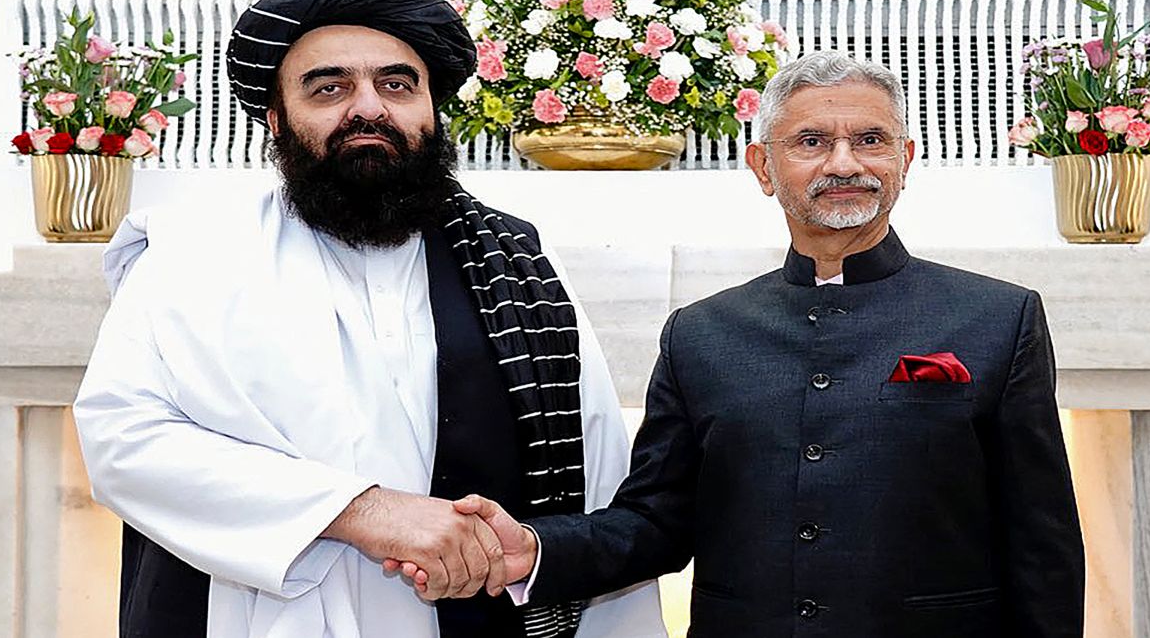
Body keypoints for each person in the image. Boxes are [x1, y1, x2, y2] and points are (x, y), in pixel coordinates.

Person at [73, 0, 663, 638]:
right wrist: (362, 510)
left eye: (396, 84)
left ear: (432, 111)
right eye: (329, 88)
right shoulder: (193, 255)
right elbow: (122, 436)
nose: (368, 108)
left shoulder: (518, 264)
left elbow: (598, 472)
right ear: (276, 120)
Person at [441, 51, 1086, 637]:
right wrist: (533, 547)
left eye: (870, 141)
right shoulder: (701, 334)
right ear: (764, 167)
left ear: (904, 161)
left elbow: (1043, 542)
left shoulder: (999, 318)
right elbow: (656, 523)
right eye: (811, 141)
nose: (844, 163)